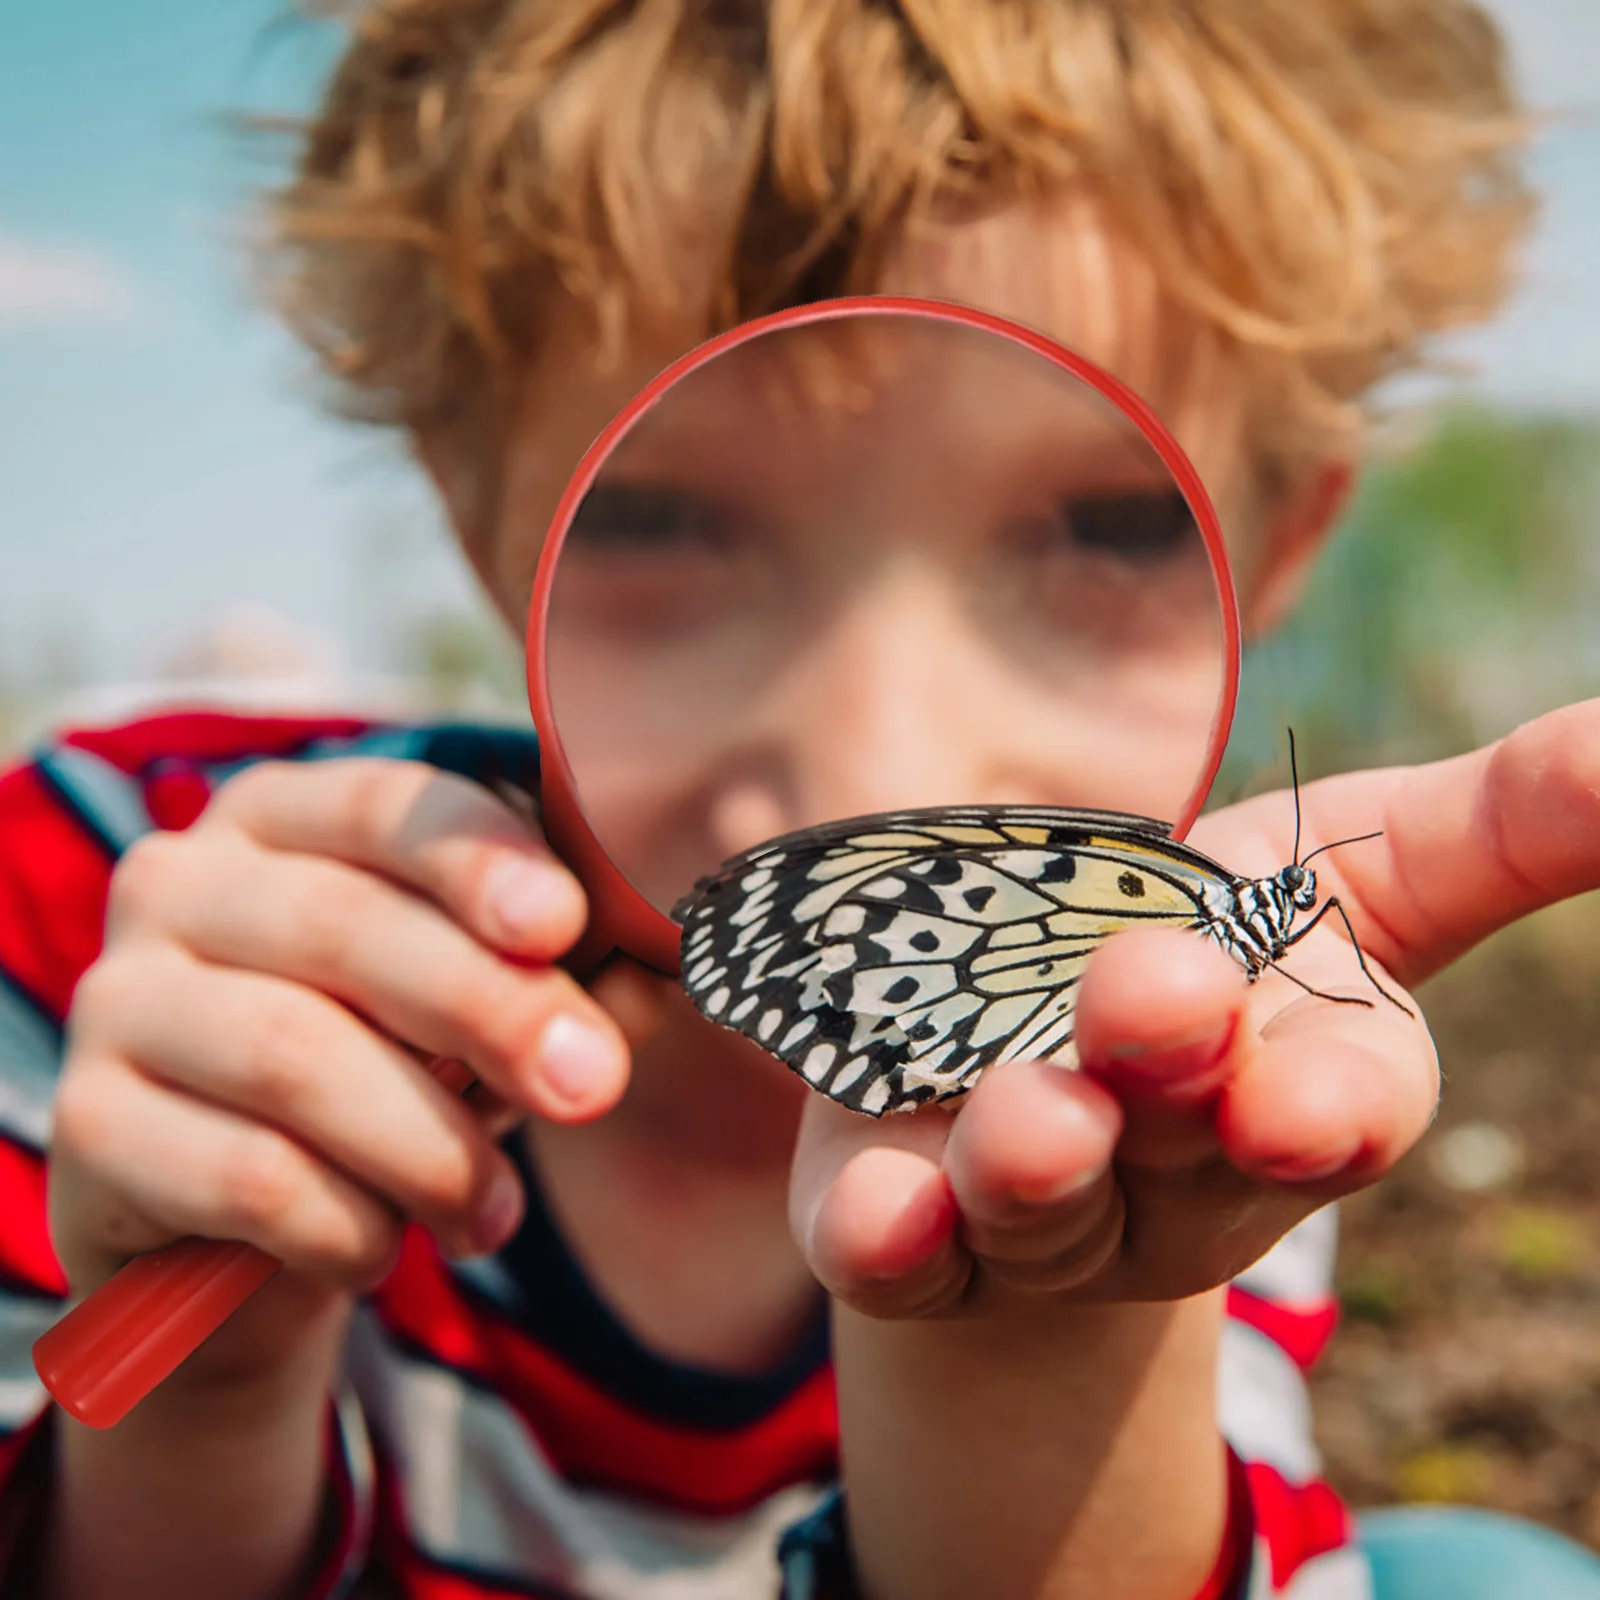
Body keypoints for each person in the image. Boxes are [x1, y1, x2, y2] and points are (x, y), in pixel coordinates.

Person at [1, 3, 1598, 1597]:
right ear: (476, 517)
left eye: (1104, 532)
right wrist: (195, 1406)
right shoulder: (118, 896)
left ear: (1280, 550)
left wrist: (1048, 1338)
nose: (874, 758)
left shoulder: (1193, 1060)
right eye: (666, 521)